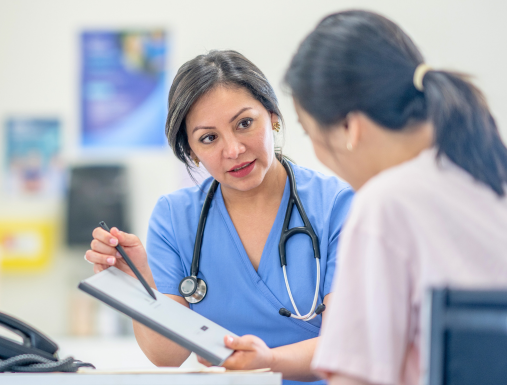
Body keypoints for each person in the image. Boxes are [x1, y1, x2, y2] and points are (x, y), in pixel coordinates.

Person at [85, 50, 353, 384]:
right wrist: (142, 285)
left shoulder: (337, 205)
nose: (233, 150)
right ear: (191, 152)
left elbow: (349, 345)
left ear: (272, 117)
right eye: (209, 138)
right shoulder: (174, 217)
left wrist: (269, 362)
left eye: (244, 124)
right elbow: (166, 355)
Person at [284, 10, 507, 385]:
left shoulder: (386, 205)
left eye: (309, 133)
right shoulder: (491, 172)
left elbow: (356, 380)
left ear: (347, 128)